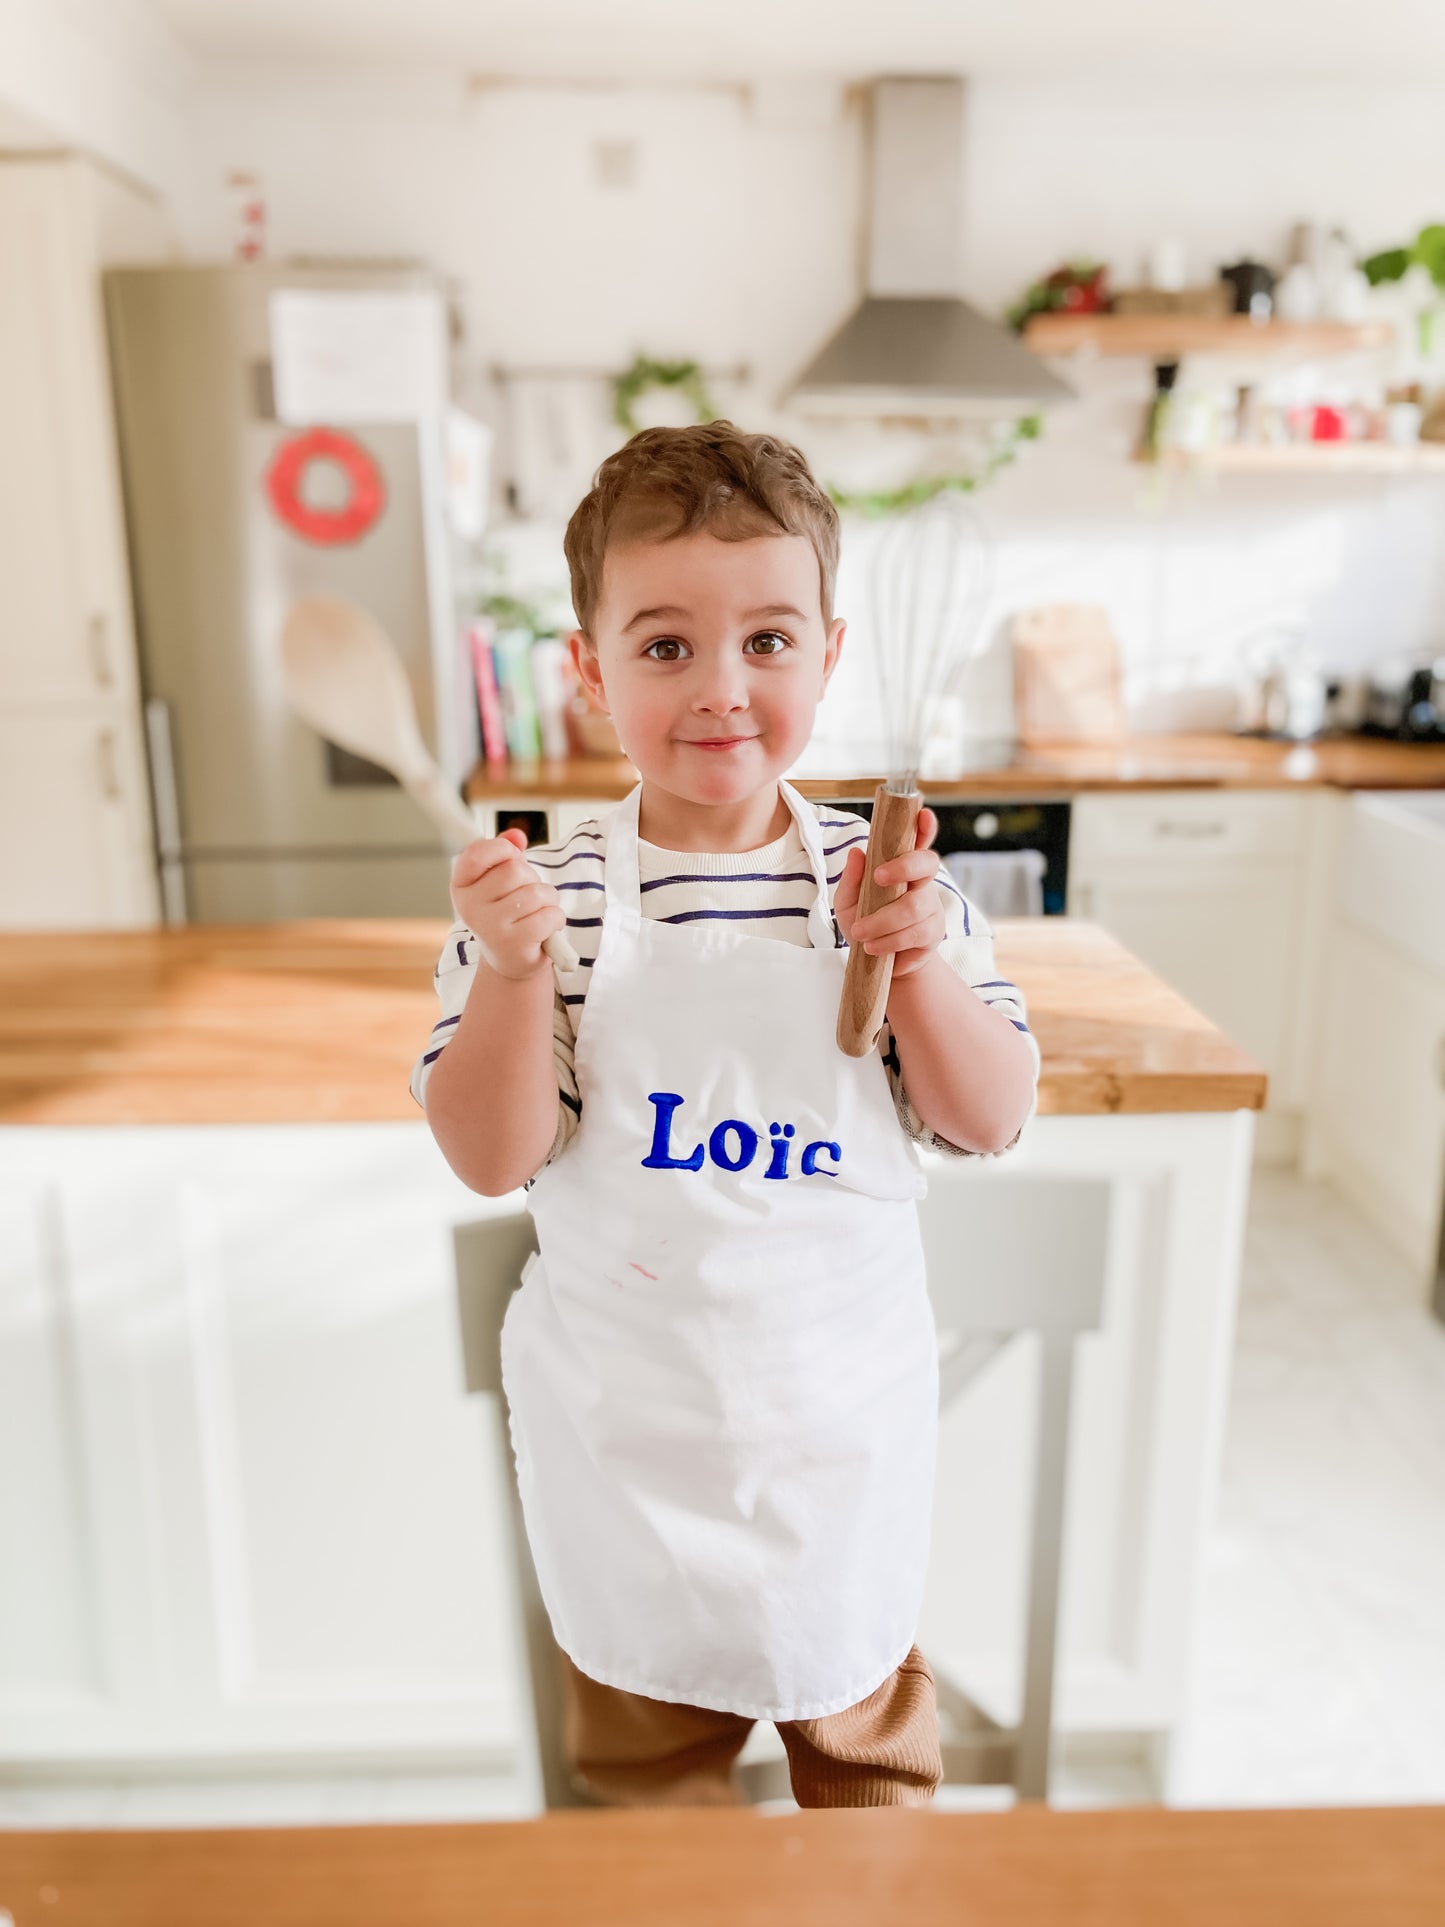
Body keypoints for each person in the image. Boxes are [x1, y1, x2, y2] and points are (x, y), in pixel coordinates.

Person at [412, 422, 1040, 1809]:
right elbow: (487, 1154)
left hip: (836, 1440)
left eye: (765, 641)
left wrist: (922, 959)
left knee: (871, 1806)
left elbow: (988, 1119)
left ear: (827, 649)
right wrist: (513, 976)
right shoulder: (550, 904)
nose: (719, 688)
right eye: (662, 646)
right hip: (633, 1448)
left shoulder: (886, 886)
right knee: (658, 1833)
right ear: (588, 671)